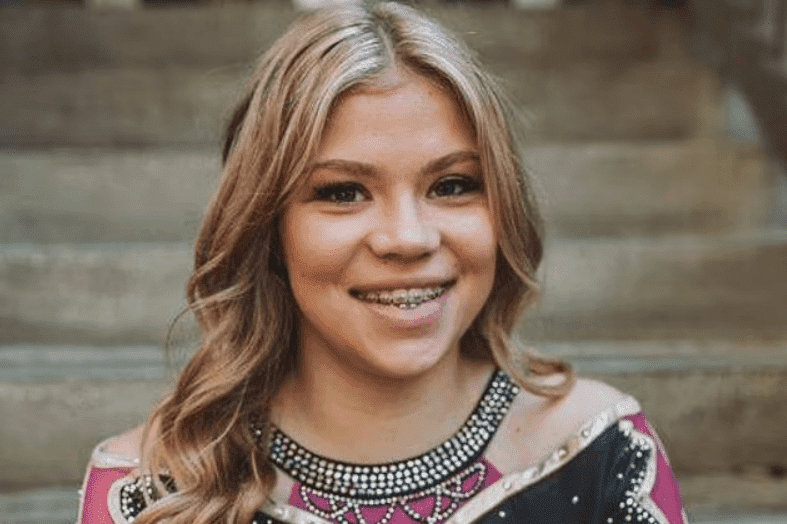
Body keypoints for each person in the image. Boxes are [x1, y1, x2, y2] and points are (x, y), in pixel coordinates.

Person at [77, 3, 688, 523]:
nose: (408, 238)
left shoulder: (604, 452)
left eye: (452, 185)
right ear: (267, 230)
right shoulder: (150, 492)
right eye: (342, 192)